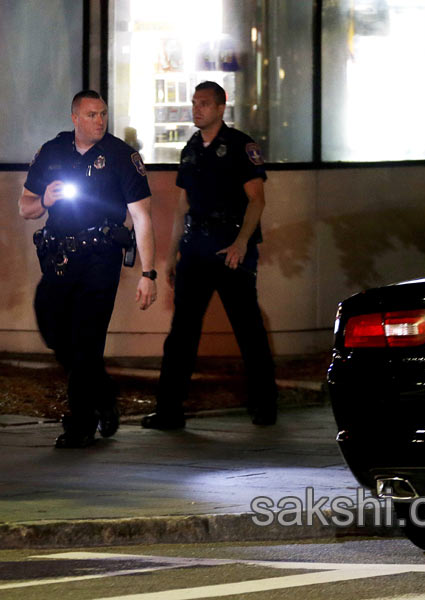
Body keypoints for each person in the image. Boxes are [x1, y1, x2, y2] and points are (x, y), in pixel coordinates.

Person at [20, 90, 158, 448]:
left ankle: (80, 423)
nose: (99, 121)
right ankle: (103, 392)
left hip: (100, 258)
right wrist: (45, 199)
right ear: (75, 118)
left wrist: (149, 273)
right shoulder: (52, 151)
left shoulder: (120, 156)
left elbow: (142, 216)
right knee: (52, 328)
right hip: (59, 258)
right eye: (92, 114)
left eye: (103, 114)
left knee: (86, 339)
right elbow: (26, 207)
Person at [142, 81, 278, 431]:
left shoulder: (239, 146)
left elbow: (257, 200)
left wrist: (241, 242)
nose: (196, 109)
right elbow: (182, 206)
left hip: (230, 250)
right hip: (196, 250)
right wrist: (170, 256)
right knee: (182, 333)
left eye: (204, 103)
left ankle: (264, 406)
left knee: (248, 330)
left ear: (221, 107)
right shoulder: (190, 148)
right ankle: (169, 410)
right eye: (194, 103)